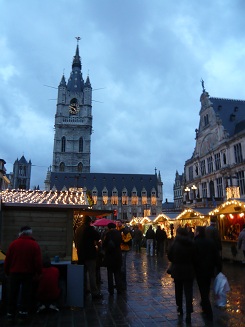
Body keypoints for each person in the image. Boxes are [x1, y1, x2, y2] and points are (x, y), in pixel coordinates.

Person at [4, 226, 42, 321]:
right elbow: (37, 261)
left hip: (14, 273)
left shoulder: (13, 244)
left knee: (13, 293)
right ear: (30, 233)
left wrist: (6, 271)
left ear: (20, 233)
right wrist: (39, 272)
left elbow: (7, 259)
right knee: (26, 294)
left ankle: (10, 313)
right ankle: (23, 312)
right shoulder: (34, 245)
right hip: (28, 273)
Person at [167, 227, 195, 324]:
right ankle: (189, 313)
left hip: (177, 270)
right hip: (189, 270)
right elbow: (195, 256)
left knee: (178, 291)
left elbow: (169, 256)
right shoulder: (191, 243)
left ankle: (179, 308)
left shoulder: (174, 243)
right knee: (188, 293)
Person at [194, 226, 222, 322]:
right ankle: (204, 304)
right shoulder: (211, 242)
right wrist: (219, 268)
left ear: (197, 232)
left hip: (199, 270)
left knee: (203, 289)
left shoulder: (195, 242)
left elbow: (193, 257)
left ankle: (207, 310)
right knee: (206, 287)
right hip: (209, 269)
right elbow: (217, 256)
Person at [75, 215, 102, 299]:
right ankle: (94, 292)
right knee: (91, 274)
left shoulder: (78, 229)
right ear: (89, 222)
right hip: (90, 254)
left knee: (83, 273)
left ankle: (84, 290)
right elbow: (98, 238)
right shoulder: (91, 229)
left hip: (80, 254)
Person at [103, 223, 123, 295]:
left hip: (110, 256)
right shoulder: (119, 233)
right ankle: (119, 289)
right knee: (117, 273)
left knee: (110, 274)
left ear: (109, 228)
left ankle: (111, 290)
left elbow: (104, 244)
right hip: (118, 255)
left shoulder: (108, 234)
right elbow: (121, 241)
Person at [116, 221, 132, 290]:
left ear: (121, 223)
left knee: (122, 267)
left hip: (123, 249)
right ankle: (119, 283)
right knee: (118, 267)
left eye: (119, 222)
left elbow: (128, 239)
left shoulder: (125, 230)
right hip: (117, 249)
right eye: (116, 222)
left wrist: (122, 241)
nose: (117, 224)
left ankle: (123, 284)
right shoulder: (116, 230)